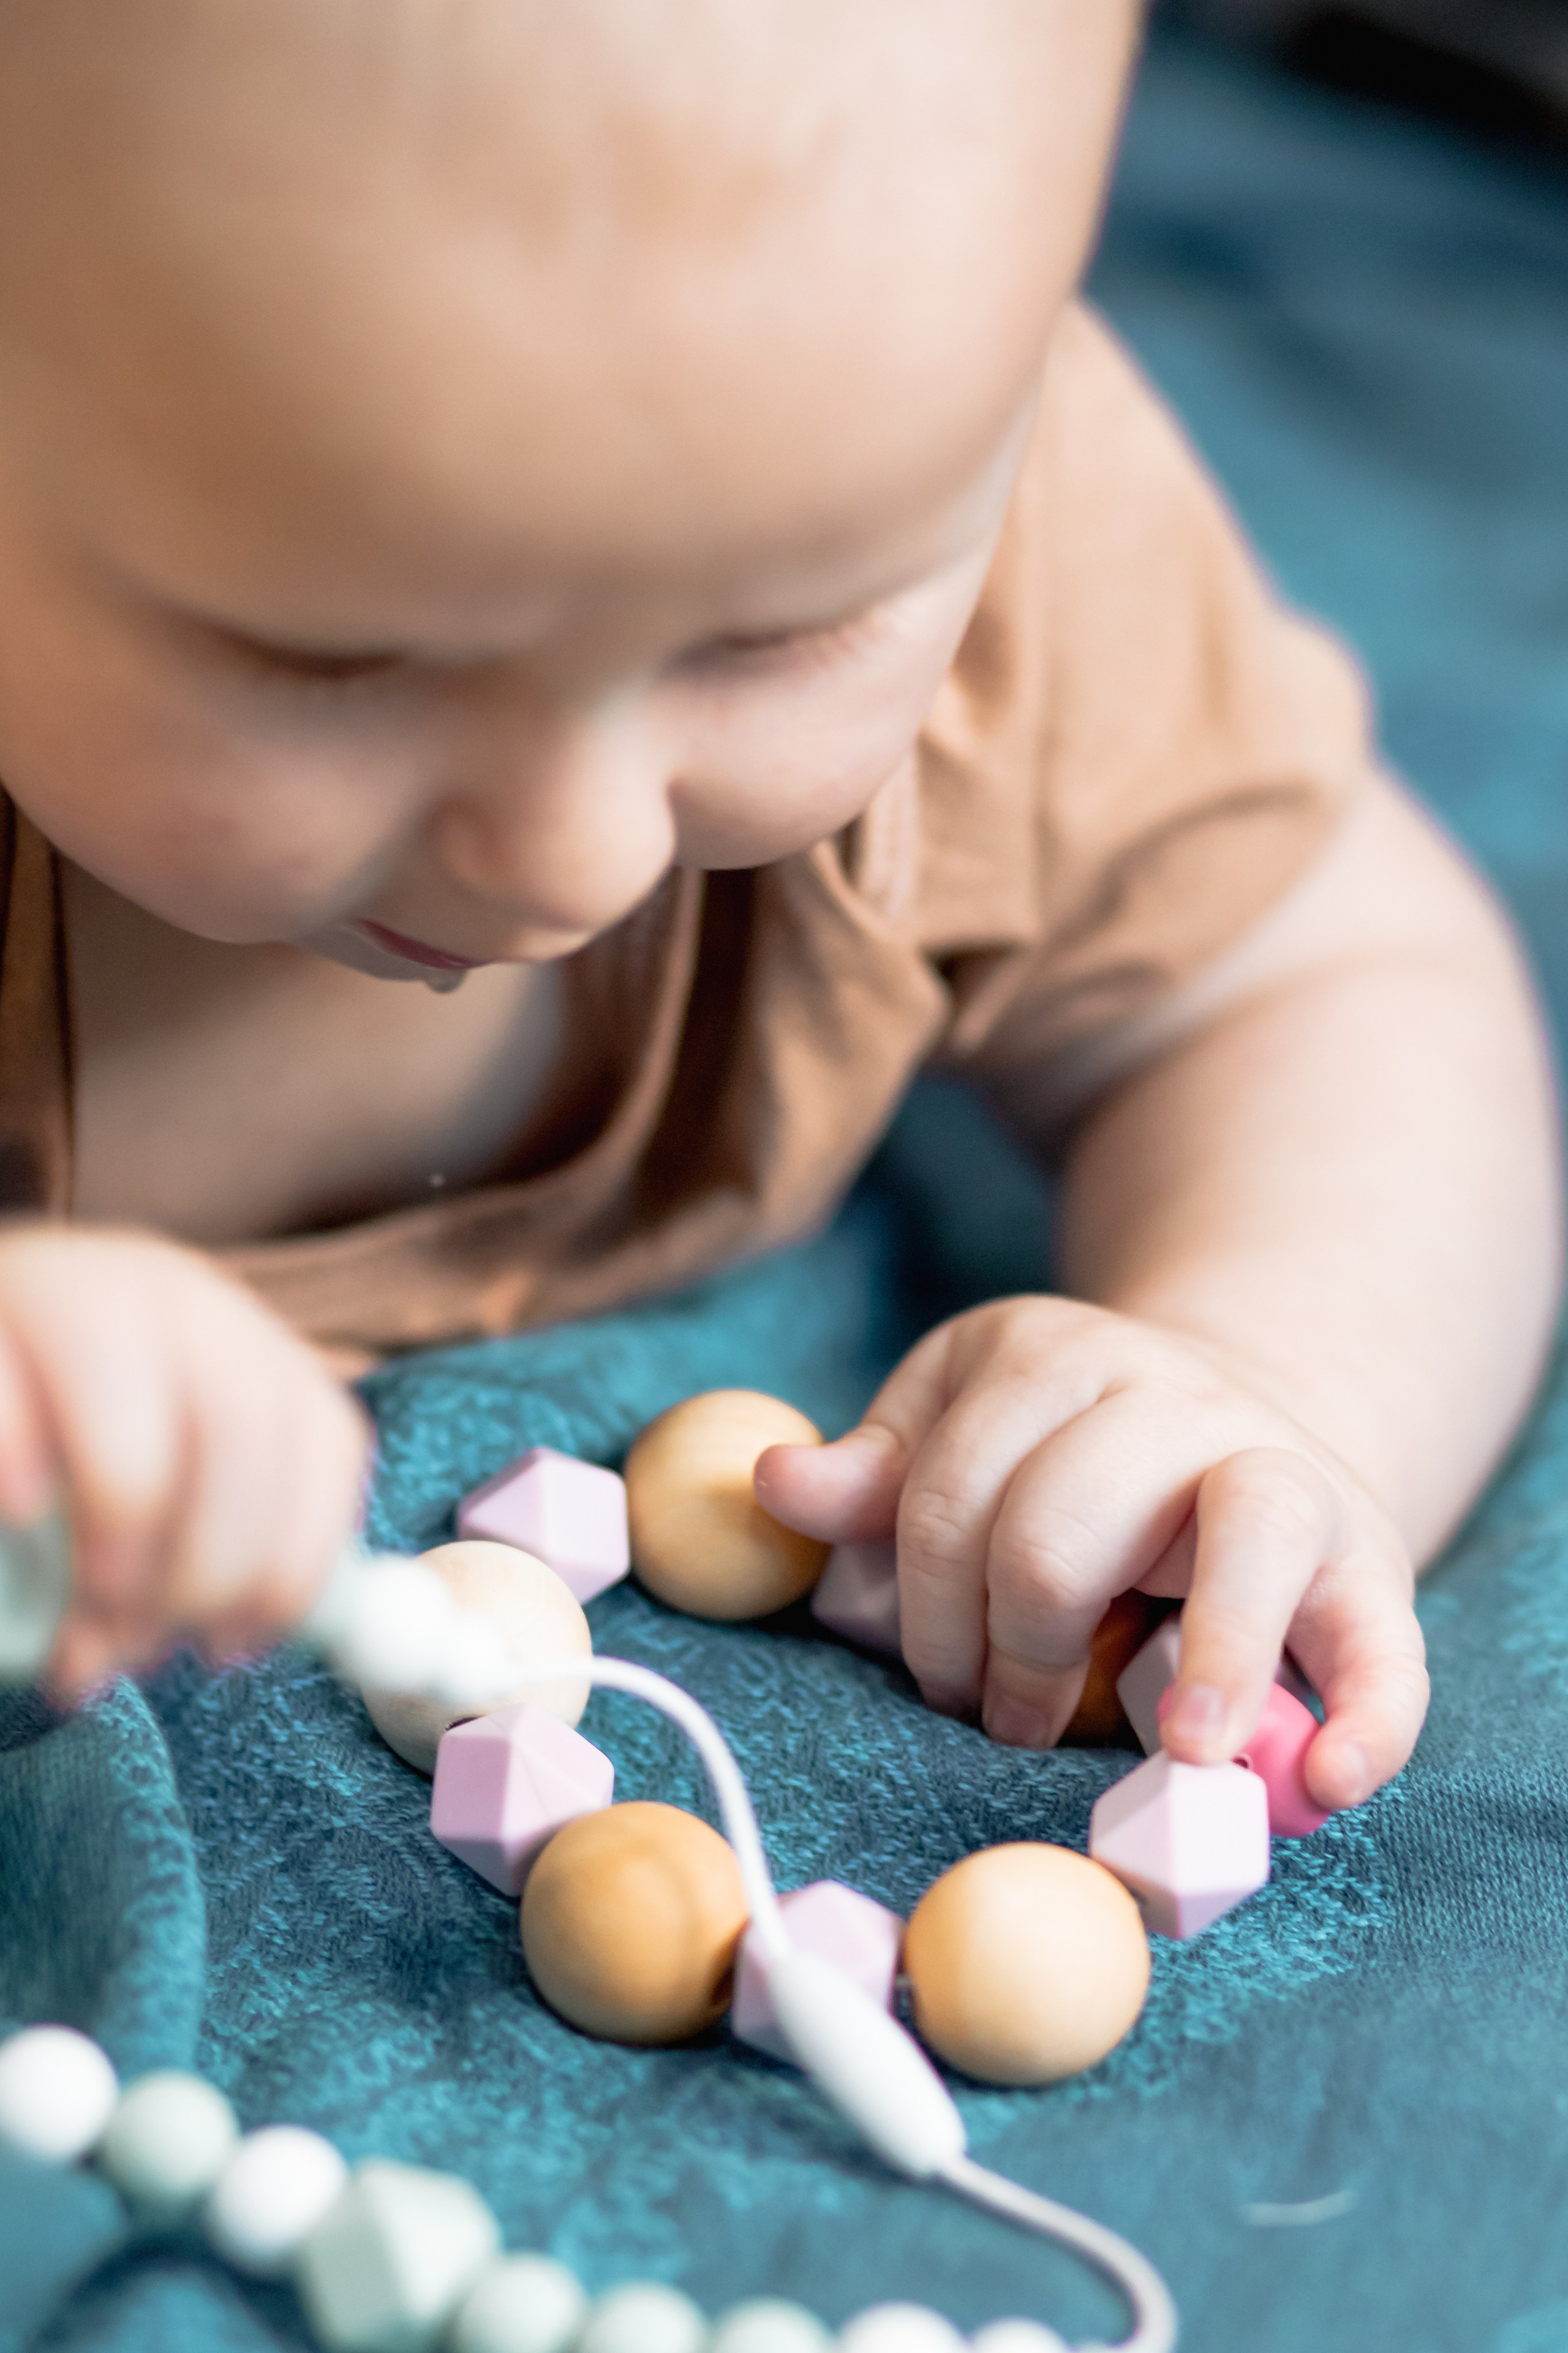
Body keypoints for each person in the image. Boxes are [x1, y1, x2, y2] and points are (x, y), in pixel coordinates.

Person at [0, 0, 1556, 1813]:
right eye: (332, 656)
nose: (570, 854)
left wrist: (1265, 1363)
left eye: (784, 630)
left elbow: (1328, 973)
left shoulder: (961, 520)